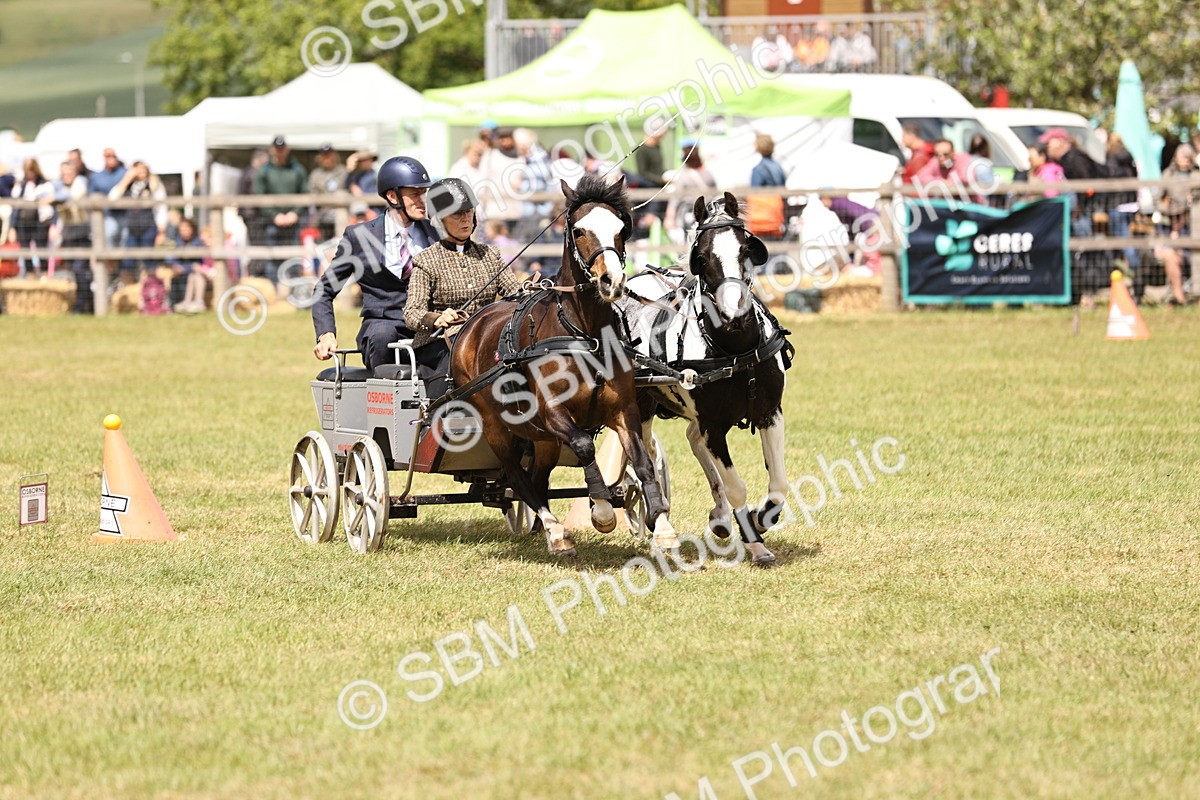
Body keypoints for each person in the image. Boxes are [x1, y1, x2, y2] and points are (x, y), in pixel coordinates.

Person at [311, 156, 439, 370]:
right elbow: (323, 290)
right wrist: (326, 335)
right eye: (415, 194)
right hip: (382, 327)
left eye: (424, 193)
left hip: (428, 325)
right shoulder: (359, 237)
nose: (422, 200)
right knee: (382, 335)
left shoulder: (436, 233)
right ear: (393, 196)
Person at [403, 178, 522, 395]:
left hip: (487, 338)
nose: (465, 218)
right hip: (441, 343)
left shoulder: (490, 254)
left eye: (468, 211)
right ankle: (433, 422)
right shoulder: (426, 260)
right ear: (439, 220)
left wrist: (531, 290)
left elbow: (515, 293)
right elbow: (412, 313)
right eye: (457, 214)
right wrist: (437, 318)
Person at [253, 135, 307, 283]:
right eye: (277, 149)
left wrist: (294, 213)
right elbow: (260, 195)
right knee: (272, 258)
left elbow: (305, 193)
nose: (279, 152)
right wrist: (274, 215)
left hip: (293, 221)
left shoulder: (297, 170)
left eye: (282, 149)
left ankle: (296, 292)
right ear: (271, 150)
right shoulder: (264, 171)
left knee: (295, 257)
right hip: (272, 222)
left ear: (287, 149)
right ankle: (275, 293)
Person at [1153, 143, 1198, 305]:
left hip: (1194, 225)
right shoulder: (1168, 175)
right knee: (1172, 256)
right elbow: (1156, 199)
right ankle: (1179, 296)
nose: (1185, 161)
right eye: (1182, 157)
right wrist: (1168, 210)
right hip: (1172, 224)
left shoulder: (1196, 175)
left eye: (1188, 158)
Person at [108, 160, 168, 279]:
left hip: (148, 227)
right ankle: (129, 289)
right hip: (131, 228)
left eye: (142, 168)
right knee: (128, 261)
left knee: (148, 260)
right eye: (137, 168)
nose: (140, 171)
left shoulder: (154, 184)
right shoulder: (128, 185)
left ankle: (151, 290)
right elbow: (112, 198)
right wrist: (126, 179)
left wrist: (161, 231)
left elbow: (161, 208)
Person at [53, 161, 92, 312]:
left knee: (80, 270)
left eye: (69, 172)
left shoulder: (80, 184)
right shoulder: (60, 186)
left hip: (82, 234)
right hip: (68, 235)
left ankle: (82, 306)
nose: (66, 176)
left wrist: (53, 196)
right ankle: (86, 305)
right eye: (63, 173)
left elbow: (71, 196)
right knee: (75, 272)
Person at [11, 159, 55, 275]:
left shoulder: (44, 184)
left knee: (41, 248)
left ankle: (44, 274)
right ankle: (29, 274)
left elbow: (51, 204)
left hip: (40, 221)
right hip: (24, 221)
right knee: (25, 249)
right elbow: (15, 205)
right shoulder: (21, 185)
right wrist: (12, 226)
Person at [914, 139, 982, 203]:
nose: (941, 158)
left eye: (945, 154)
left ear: (953, 153)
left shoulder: (963, 159)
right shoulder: (936, 161)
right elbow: (921, 176)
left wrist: (951, 181)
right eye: (937, 154)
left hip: (971, 206)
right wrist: (941, 182)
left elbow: (966, 178)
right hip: (948, 206)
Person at [747, 133, 787, 239]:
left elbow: (754, 193)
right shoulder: (778, 167)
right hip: (777, 213)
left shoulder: (758, 169)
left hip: (762, 218)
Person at [167, 217, 209, 313]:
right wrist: (175, 267)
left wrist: (185, 268)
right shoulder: (178, 242)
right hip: (181, 271)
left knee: (191, 276)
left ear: (192, 229)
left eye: (186, 229)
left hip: (193, 271)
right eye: (182, 229)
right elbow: (173, 259)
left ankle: (192, 302)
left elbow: (198, 264)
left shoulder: (198, 243)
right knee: (174, 279)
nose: (184, 232)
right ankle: (174, 306)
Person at [307, 144, 347, 240]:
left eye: (329, 155)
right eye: (324, 155)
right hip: (322, 211)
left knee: (341, 211)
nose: (327, 158)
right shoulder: (315, 174)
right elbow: (312, 194)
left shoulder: (343, 172)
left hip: (340, 211)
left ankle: (341, 242)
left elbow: (346, 191)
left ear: (335, 156)